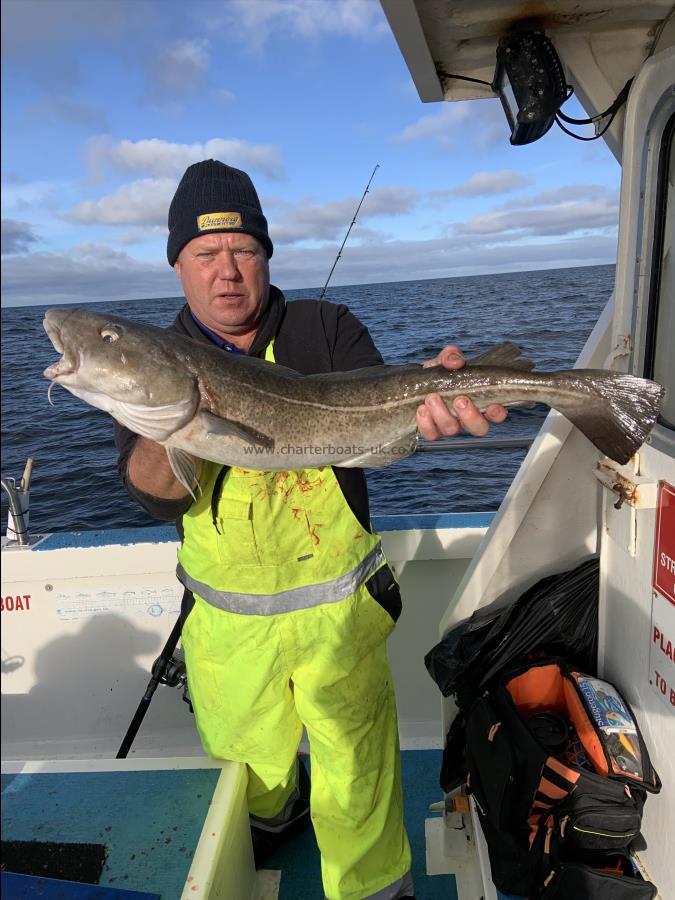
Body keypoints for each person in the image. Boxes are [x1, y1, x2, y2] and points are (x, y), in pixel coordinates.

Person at [114, 159, 507, 900]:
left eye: (243, 251)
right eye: (205, 255)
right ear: (177, 267)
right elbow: (153, 495)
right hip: (228, 631)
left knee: (356, 777)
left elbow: (383, 431)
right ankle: (275, 820)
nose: (226, 272)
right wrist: (187, 413)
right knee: (253, 776)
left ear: (265, 256)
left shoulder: (324, 328)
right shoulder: (150, 361)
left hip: (340, 618)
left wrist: (433, 400)